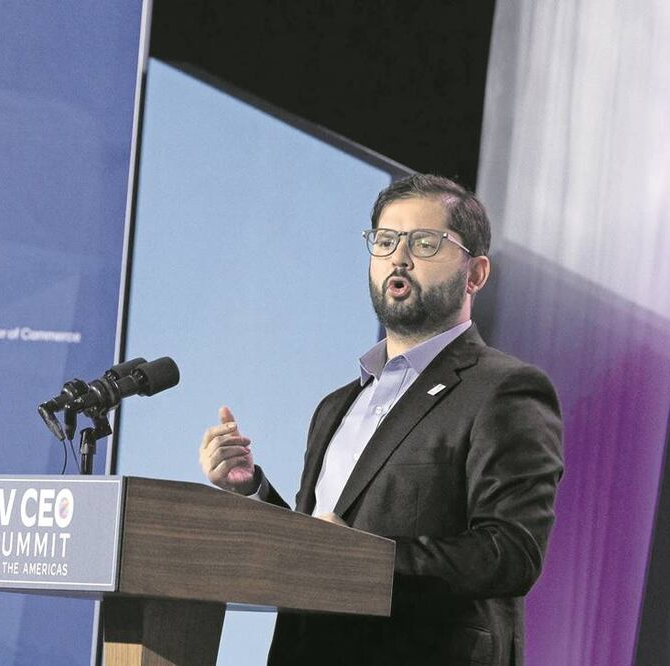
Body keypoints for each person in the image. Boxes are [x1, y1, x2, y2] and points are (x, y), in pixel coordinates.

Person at [199, 174, 563, 665]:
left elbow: (510, 553)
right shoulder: (336, 406)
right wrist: (253, 493)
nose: (400, 257)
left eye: (425, 243)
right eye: (386, 241)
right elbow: (320, 547)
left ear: (475, 274)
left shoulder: (504, 390)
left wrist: (364, 559)